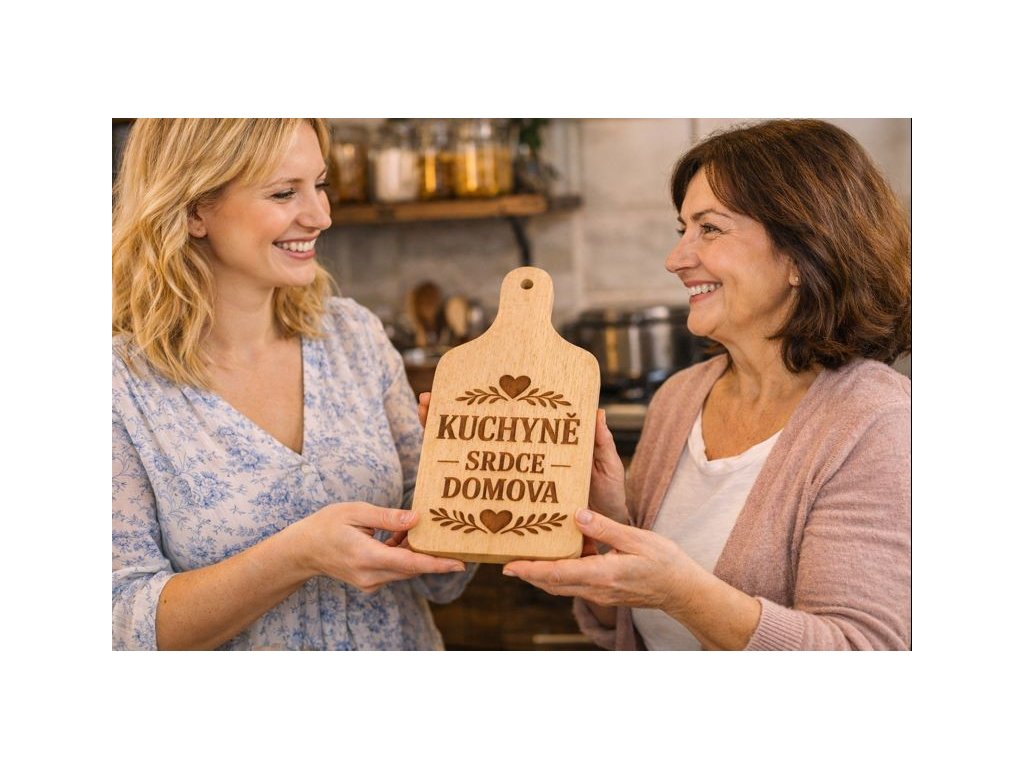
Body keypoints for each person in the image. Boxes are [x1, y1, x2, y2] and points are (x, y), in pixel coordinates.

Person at [500, 119, 911, 650]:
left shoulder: (877, 425)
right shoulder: (680, 398)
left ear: (801, 255)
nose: (675, 259)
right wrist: (607, 526)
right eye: (683, 231)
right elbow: (629, 627)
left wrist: (680, 592)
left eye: (710, 229)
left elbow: (863, 650)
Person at [112, 118, 474, 650]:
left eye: (320, 185)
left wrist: (473, 474)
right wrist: (296, 556)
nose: (320, 216)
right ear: (194, 211)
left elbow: (442, 579)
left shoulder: (354, 337)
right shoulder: (120, 387)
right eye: (284, 193)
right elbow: (121, 625)